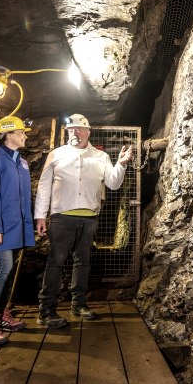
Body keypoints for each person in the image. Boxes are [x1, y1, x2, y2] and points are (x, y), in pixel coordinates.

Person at [34, 113, 133, 327]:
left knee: (83, 262)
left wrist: (122, 164)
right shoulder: (56, 154)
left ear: (88, 132)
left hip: (89, 218)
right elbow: (44, 185)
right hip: (62, 217)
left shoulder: (101, 157)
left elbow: (113, 183)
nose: (74, 132)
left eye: (79, 129)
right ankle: (46, 310)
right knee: (56, 262)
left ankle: (78, 304)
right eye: (71, 129)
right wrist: (40, 215)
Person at [0, 116, 35, 346]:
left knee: (9, 271)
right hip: (2, 227)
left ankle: (2, 315)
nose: (25, 136)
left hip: (18, 226)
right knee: (3, 268)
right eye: (21, 132)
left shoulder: (22, 162)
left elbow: (24, 198)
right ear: (9, 134)